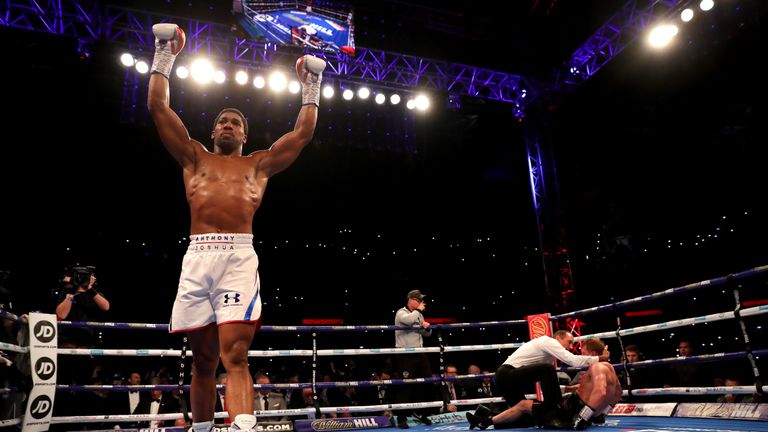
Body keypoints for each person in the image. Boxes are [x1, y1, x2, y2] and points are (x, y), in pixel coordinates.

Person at [147, 23, 326, 432]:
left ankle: (244, 428)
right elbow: (158, 108)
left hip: (238, 257)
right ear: (213, 131)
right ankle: (202, 429)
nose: (227, 125)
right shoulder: (193, 156)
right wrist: (165, 53)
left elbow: (302, 133)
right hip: (198, 255)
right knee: (203, 361)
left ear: (245, 134)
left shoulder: (258, 165)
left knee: (236, 356)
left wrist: (311, 85)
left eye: (235, 122)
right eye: (222, 121)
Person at [467, 330, 609, 429]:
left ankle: (484, 419)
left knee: (527, 420)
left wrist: (567, 388)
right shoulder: (548, 341)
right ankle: (555, 411)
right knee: (547, 369)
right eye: (569, 342)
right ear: (558, 338)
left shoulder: (547, 357)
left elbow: (545, 384)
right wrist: (601, 358)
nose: (571, 347)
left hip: (508, 381)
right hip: (507, 375)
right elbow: (573, 361)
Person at [467, 361, 623, 430]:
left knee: (523, 405)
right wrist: (600, 414)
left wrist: (582, 417)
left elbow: (600, 392)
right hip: (572, 410)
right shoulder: (610, 371)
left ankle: (485, 421)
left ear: (592, 354)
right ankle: (486, 417)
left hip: (568, 414)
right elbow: (618, 394)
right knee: (533, 409)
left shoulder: (596, 367)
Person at [393, 289, 433, 428]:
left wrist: (427, 328)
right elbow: (409, 321)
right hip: (405, 354)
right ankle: (401, 418)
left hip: (419, 353)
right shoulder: (401, 313)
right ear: (410, 300)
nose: (421, 302)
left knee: (427, 382)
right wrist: (419, 310)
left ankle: (422, 413)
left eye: (421, 300)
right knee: (405, 386)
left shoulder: (418, 315)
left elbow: (425, 334)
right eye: (418, 300)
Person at [55, 267, 110, 348]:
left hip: (87, 341)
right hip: (67, 341)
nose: (82, 279)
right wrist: (72, 291)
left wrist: (90, 289)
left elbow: (106, 307)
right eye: (79, 276)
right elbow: (61, 315)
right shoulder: (66, 293)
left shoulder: (95, 295)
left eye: (85, 277)